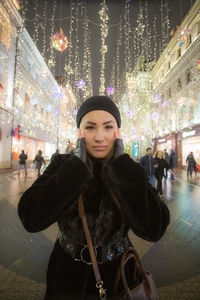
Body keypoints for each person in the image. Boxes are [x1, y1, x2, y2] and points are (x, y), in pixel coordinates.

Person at [18, 96, 170, 300]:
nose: (100, 137)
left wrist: (121, 169)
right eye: (90, 127)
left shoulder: (129, 170)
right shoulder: (62, 164)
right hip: (66, 275)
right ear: (79, 133)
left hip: (119, 274)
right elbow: (31, 218)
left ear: (118, 132)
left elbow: (154, 229)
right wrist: (75, 169)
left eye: (108, 127)